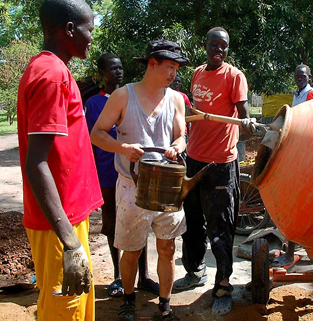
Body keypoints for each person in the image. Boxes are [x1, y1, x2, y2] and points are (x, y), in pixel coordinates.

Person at [16, 0, 103, 321]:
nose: (92, 38)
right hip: (57, 227)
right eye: (89, 29)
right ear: (68, 30)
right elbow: (36, 162)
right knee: (63, 310)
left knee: (77, 303)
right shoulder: (50, 74)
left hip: (68, 218)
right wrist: (69, 242)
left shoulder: (59, 71)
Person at [90, 40, 188, 321]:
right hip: (131, 187)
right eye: (169, 67)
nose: (173, 74)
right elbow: (97, 133)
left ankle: (165, 306)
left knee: (167, 248)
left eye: (176, 68)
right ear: (151, 64)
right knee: (130, 249)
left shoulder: (176, 99)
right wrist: (122, 148)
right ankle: (129, 302)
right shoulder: (122, 96)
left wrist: (178, 145)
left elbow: (181, 135)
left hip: (167, 188)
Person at [173, 27, 256, 316]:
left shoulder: (234, 76)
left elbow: (243, 114)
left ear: (227, 50)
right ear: (205, 45)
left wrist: (247, 123)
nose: (218, 50)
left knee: (220, 228)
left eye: (224, 46)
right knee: (192, 221)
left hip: (221, 163)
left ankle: (223, 286)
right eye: (214, 44)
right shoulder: (197, 72)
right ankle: (195, 271)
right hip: (193, 158)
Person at [84, 53, 159, 298]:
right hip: (106, 173)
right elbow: (90, 140)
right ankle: (118, 275)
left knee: (140, 221)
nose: (118, 72)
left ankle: (144, 276)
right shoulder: (94, 103)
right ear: (102, 74)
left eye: (120, 68)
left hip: (134, 172)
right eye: (112, 69)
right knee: (113, 224)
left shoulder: (134, 96)